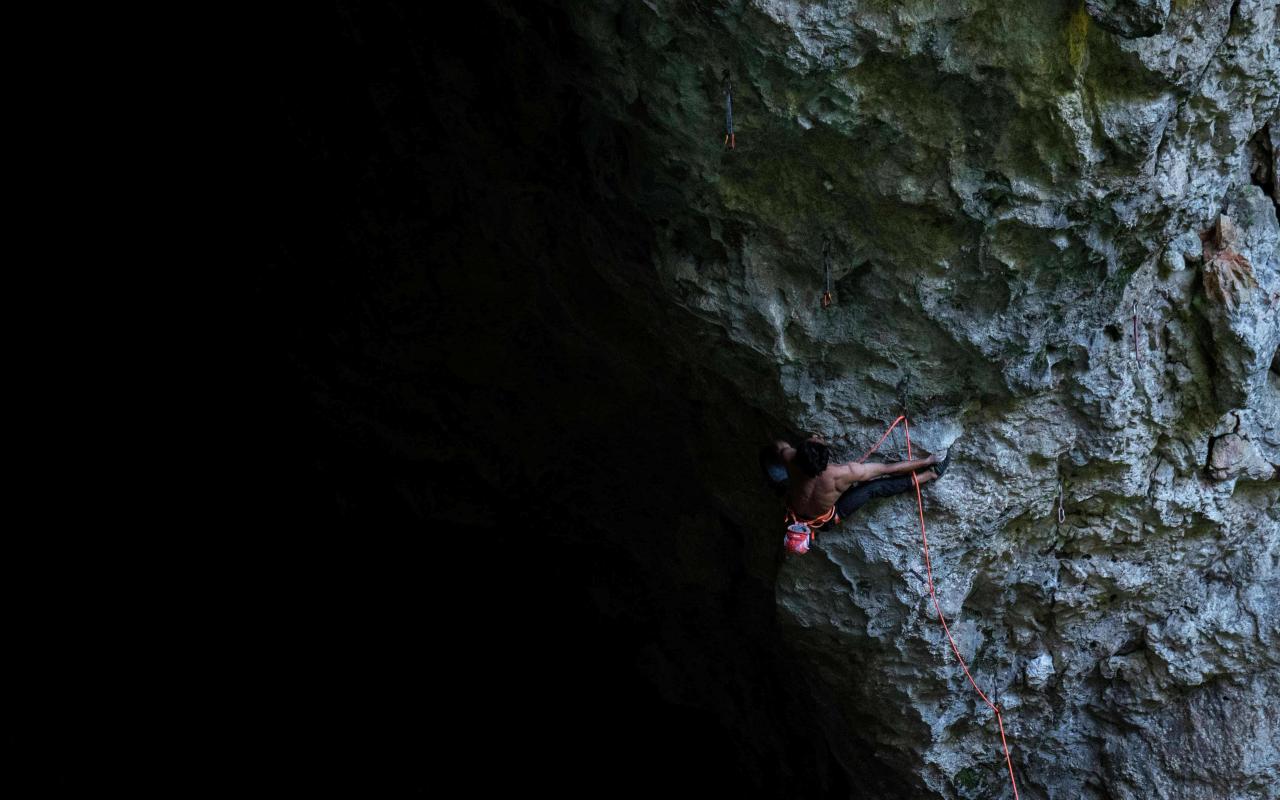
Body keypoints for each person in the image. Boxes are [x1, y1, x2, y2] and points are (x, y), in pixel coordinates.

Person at [771, 433, 950, 531]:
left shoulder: (790, 460)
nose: (816, 435)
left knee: (778, 477)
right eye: (816, 438)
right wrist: (927, 461)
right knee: (873, 488)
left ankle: (926, 475)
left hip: (795, 513)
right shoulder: (844, 473)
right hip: (825, 521)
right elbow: (889, 469)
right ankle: (929, 474)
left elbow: (778, 444)